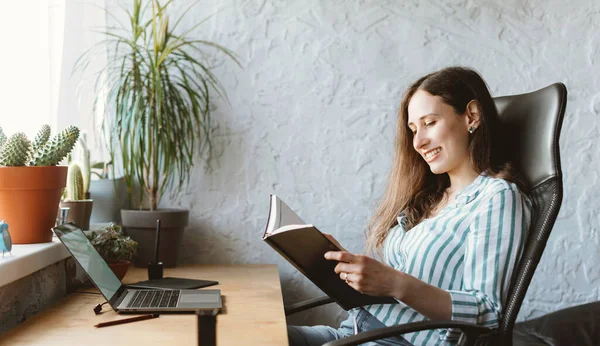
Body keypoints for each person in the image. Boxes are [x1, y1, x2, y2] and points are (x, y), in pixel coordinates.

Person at [287, 66, 532, 346]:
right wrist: (344, 264)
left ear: (471, 116)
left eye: (429, 123)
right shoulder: (430, 198)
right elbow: (398, 280)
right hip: (356, 330)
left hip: (399, 342)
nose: (418, 142)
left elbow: (487, 314)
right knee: (248, 335)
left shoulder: (496, 198)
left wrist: (396, 283)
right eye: (413, 129)